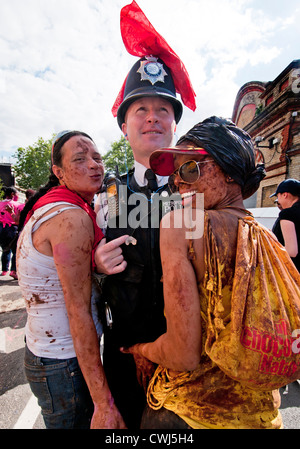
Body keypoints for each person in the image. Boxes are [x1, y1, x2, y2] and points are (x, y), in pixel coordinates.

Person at [121, 116, 287, 429]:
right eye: (174, 177)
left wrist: (142, 349)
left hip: (190, 414)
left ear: (227, 170)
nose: (180, 183)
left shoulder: (180, 225)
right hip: (261, 415)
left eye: (189, 168)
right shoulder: (268, 240)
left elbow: (183, 355)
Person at [94, 1, 196, 429]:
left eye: (163, 110)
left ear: (174, 123)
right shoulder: (110, 191)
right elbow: (80, 271)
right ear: (124, 126)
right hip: (124, 351)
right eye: (141, 110)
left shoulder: (193, 189)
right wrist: (97, 266)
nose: (152, 117)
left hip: (186, 351)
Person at [17, 131, 126, 429]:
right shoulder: (71, 218)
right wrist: (104, 403)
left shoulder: (60, 206)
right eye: (80, 159)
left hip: (51, 355)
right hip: (63, 364)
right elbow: (76, 311)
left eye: (97, 157)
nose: (94, 165)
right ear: (58, 172)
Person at [270, 179, 300, 272]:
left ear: (285, 195)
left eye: (278, 196)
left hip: (292, 272)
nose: (278, 200)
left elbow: (291, 251)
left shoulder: (287, 214)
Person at [0, 186, 22, 279]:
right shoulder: (17, 205)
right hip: (12, 229)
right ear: (13, 194)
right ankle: (13, 270)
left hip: (1, 228)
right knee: (15, 250)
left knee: (5, 250)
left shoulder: (0, 204)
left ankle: (4, 270)